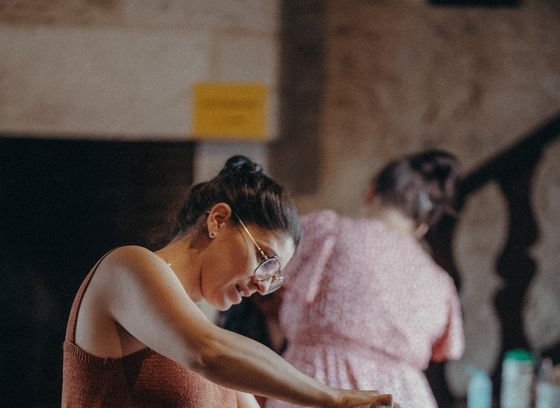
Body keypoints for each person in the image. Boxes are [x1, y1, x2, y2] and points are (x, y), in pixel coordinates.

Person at [61, 155, 396, 408]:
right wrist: (334, 398)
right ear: (218, 220)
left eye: (274, 276)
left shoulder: (226, 364)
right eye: (265, 260)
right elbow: (207, 351)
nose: (263, 287)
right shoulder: (127, 267)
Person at [266, 150, 465, 408]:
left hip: (318, 387)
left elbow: (264, 268)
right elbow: (444, 350)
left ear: (371, 193)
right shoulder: (440, 282)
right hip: (404, 398)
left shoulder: (329, 233)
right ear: (422, 226)